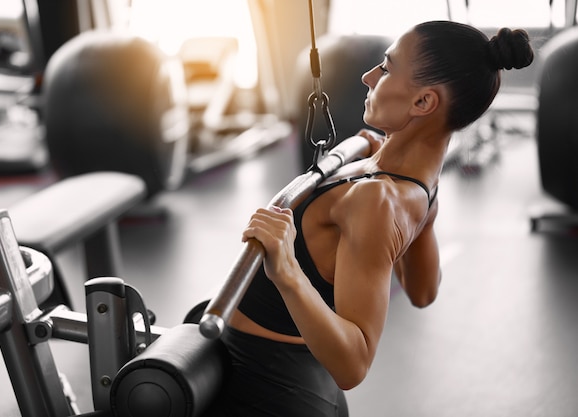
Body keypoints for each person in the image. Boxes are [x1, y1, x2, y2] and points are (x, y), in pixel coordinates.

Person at [207, 20, 534, 416]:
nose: (368, 76)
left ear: (423, 103)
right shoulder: (418, 185)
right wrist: (417, 214)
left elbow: (353, 364)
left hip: (259, 384)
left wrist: (287, 270)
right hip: (274, 368)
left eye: (386, 66)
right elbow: (423, 291)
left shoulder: (378, 199)